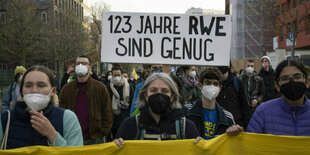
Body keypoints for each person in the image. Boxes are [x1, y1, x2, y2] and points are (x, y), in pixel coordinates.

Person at [0, 65, 83, 149]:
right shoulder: (5, 120)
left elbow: (76, 152)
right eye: (28, 86)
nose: (34, 90)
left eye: (41, 85)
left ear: (53, 91)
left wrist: (52, 135)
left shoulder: (67, 118)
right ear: (22, 91)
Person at [113, 73, 199, 148]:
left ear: (172, 97)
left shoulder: (186, 127)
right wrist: (115, 147)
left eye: (164, 91)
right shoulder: (129, 125)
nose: (159, 94)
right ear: (145, 95)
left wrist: (200, 147)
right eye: (153, 90)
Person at [232, 59, 310, 136]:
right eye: (285, 78)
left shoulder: (258, 79)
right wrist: (240, 137)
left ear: (307, 81)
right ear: (277, 86)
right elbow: (250, 145)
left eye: (297, 77)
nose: (291, 82)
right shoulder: (263, 113)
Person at [59, 55, 113, 145]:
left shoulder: (100, 88)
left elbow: (107, 112)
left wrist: (102, 132)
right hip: (72, 138)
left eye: (84, 63)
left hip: (94, 138)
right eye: (78, 63)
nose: (81, 66)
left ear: (90, 67)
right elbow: (61, 111)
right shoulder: (67, 89)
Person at [187, 67, 235, 140]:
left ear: (220, 88)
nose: (212, 86)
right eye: (208, 83)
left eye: (215, 84)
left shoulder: (228, 117)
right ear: (200, 86)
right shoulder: (187, 111)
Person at [217, 63, 251, 129]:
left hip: (236, 124)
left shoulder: (237, 83)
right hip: (219, 126)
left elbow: (245, 107)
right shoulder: (213, 84)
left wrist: (247, 128)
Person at [107, 65, 134, 140]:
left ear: (122, 74)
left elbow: (132, 102)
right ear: (111, 75)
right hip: (112, 120)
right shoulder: (108, 87)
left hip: (125, 118)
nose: (117, 77)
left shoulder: (128, 86)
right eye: (115, 75)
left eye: (118, 75)